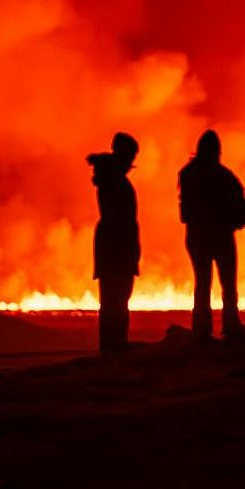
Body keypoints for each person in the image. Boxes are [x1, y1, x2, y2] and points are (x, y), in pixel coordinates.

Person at [178, 130, 245, 340]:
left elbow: (185, 212)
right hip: (221, 235)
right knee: (228, 283)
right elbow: (240, 203)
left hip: (197, 235)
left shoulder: (188, 174)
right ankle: (231, 326)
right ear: (218, 151)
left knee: (203, 282)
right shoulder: (224, 176)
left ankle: (201, 330)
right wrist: (236, 221)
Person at [89, 132, 141, 352]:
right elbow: (124, 220)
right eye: (130, 157)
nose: (131, 163)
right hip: (117, 247)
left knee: (112, 300)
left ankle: (111, 346)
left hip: (111, 245)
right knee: (116, 300)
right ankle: (115, 347)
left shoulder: (110, 177)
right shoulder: (116, 180)